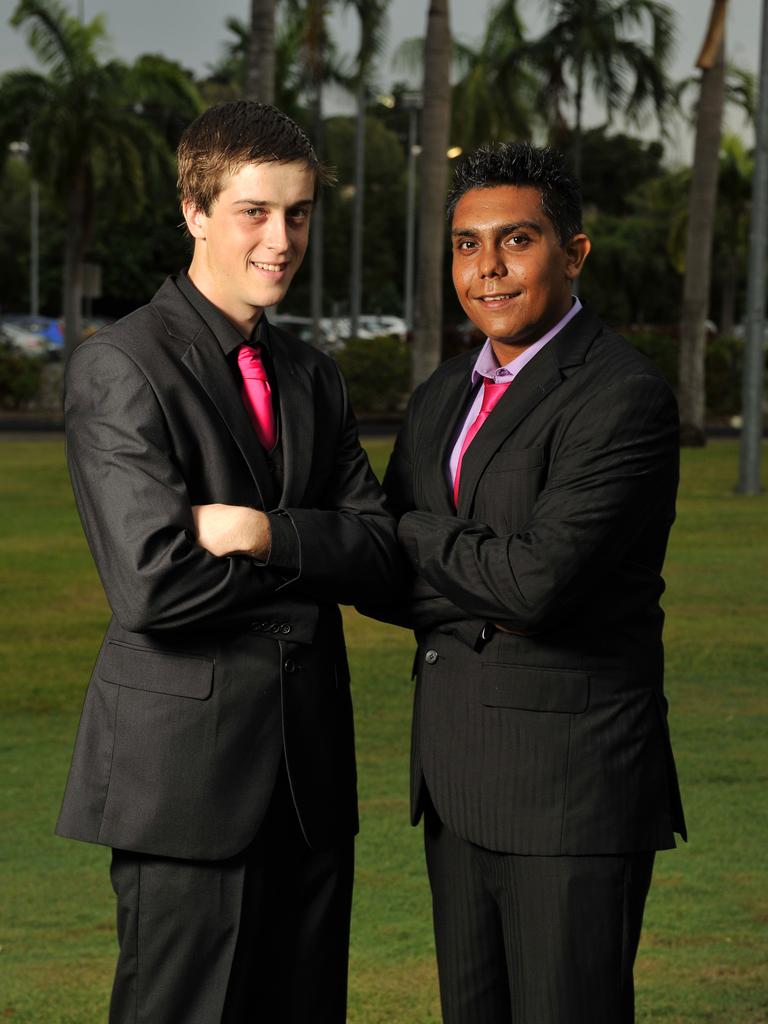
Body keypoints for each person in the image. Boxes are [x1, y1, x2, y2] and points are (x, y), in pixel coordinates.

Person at [56, 100, 401, 1024]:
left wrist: (261, 532)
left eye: (297, 213)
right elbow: (156, 586)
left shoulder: (314, 375)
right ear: (195, 211)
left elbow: (380, 552)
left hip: (312, 780)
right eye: (255, 211)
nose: (280, 239)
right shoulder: (121, 367)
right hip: (188, 788)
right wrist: (316, 555)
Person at [378, 142, 686, 1023]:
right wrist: (468, 568)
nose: (488, 269)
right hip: (455, 781)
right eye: (467, 245)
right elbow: (386, 577)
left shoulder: (621, 394)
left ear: (574, 252)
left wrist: (412, 537)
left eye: (516, 240)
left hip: (570, 795)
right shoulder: (442, 393)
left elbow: (534, 585)